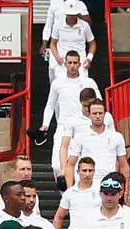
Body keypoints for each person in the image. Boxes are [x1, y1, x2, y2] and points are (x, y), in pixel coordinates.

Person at [40, 52, 100, 180]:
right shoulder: (57, 83)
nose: (72, 66)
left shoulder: (89, 82)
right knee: (57, 166)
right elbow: (50, 105)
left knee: (83, 166)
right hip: (63, 126)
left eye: (75, 63)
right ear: (65, 64)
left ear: (79, 64)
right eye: (70, 63)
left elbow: (100, 104)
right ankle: (66, 195)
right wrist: (45, 124)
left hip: (84, 126)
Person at [65, 100, 128, 189]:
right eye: (94, 113)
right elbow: (70, 164)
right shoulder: (80, 138)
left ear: (105, 114)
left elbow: (123, 165)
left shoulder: (117, 137)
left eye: (100, 113)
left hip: (110, 186)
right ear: (89, 114)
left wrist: (124, 189)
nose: (98, 116)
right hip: (86, 185)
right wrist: (69, 189)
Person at [58, 90, 115, 173]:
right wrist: (63, 168)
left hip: (104, 163)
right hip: (81, 165)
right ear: (80, 102)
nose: (87, 108)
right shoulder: (73, 120)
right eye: (85, 105)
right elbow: (64, 146)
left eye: (89, 105)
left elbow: (113, 141)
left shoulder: (107, 117)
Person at [50, 1, 96, 73]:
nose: (70, 17)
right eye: (68, 14)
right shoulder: (57, 25)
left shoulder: (85, 25)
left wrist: (89, 58)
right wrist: (57, 57)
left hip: (81, 63)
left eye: (73, 14)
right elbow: (53, 44)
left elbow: (92, 43)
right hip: (63, 63)